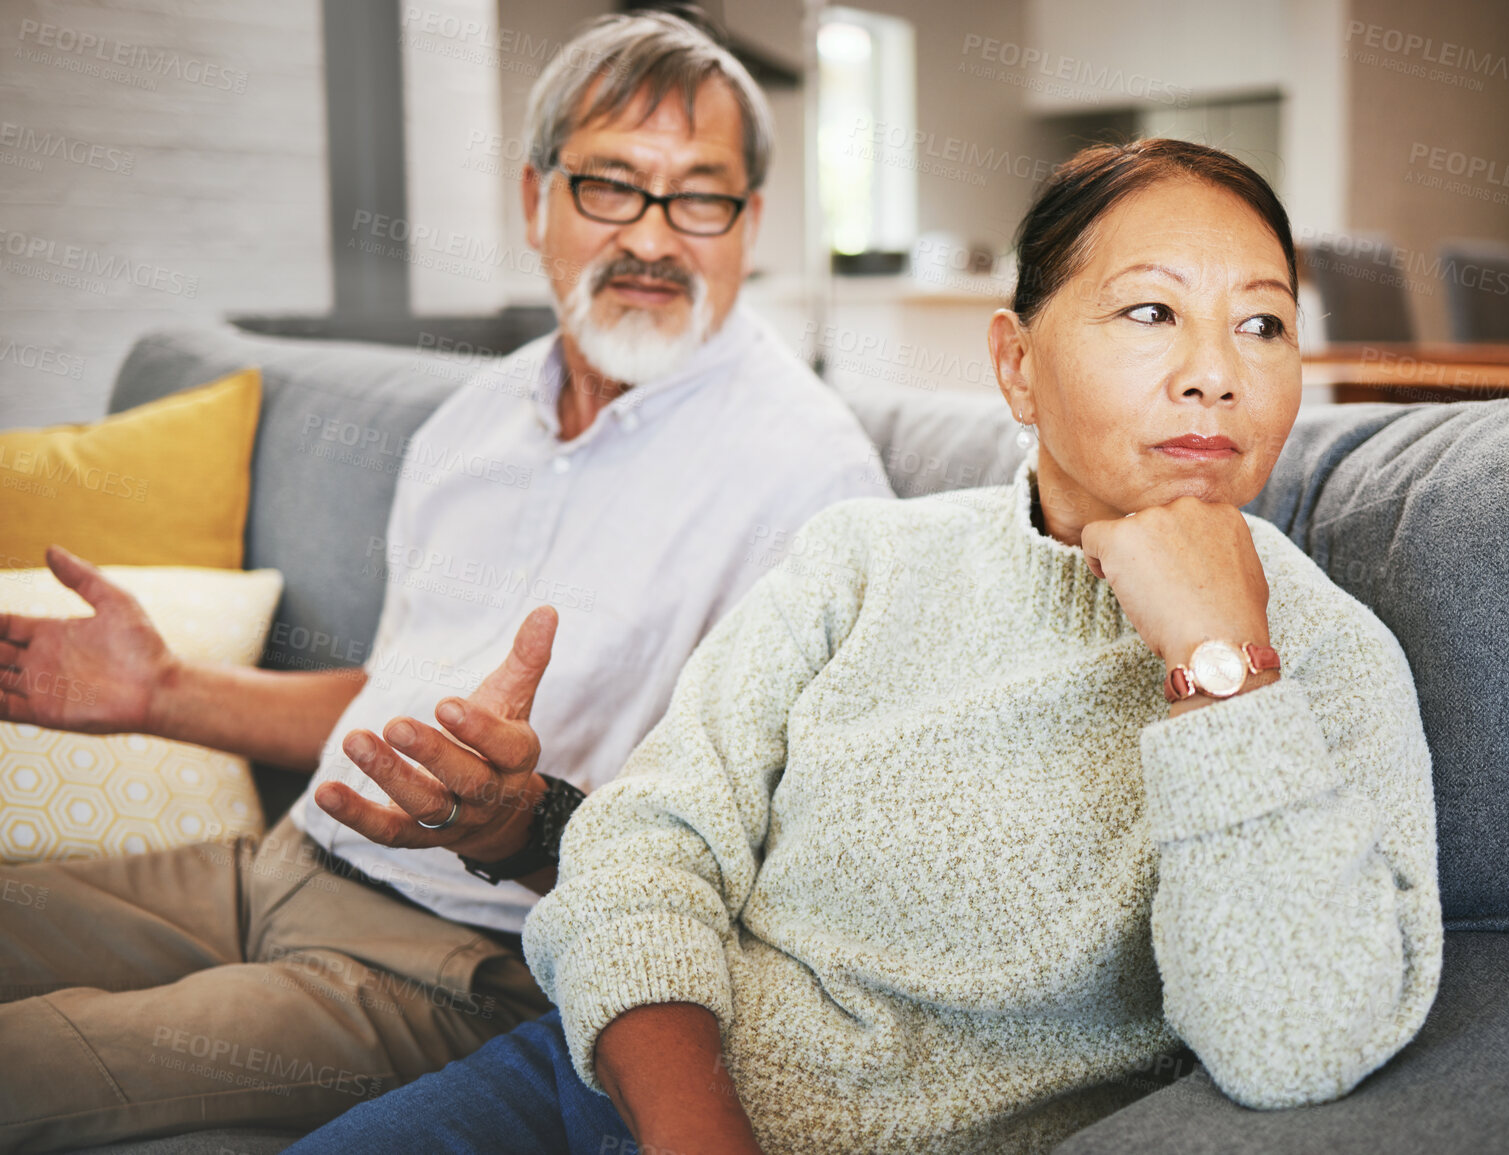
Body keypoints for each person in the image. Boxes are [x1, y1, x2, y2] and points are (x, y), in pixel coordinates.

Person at [286, 138, 1446, 1155]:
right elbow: (646, 848)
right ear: (1015, 366)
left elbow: (1290, 1049)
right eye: (1151, 311)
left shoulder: (1327, 660)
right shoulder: (859, 560)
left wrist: (1218, 663)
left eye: (1265, 323)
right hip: (604, 1085)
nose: (1216, 371)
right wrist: (695, 1134)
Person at [0, 11, 889, 1152]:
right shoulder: (473, 420)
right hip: (283, 859)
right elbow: (388, 699)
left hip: (461, 962)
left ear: (749, 223)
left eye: (700, 196)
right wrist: (163, 690)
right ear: (536, 203)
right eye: (610, 185)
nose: (655, 238)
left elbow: (782, 852)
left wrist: (519, 820)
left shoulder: (813, 479)